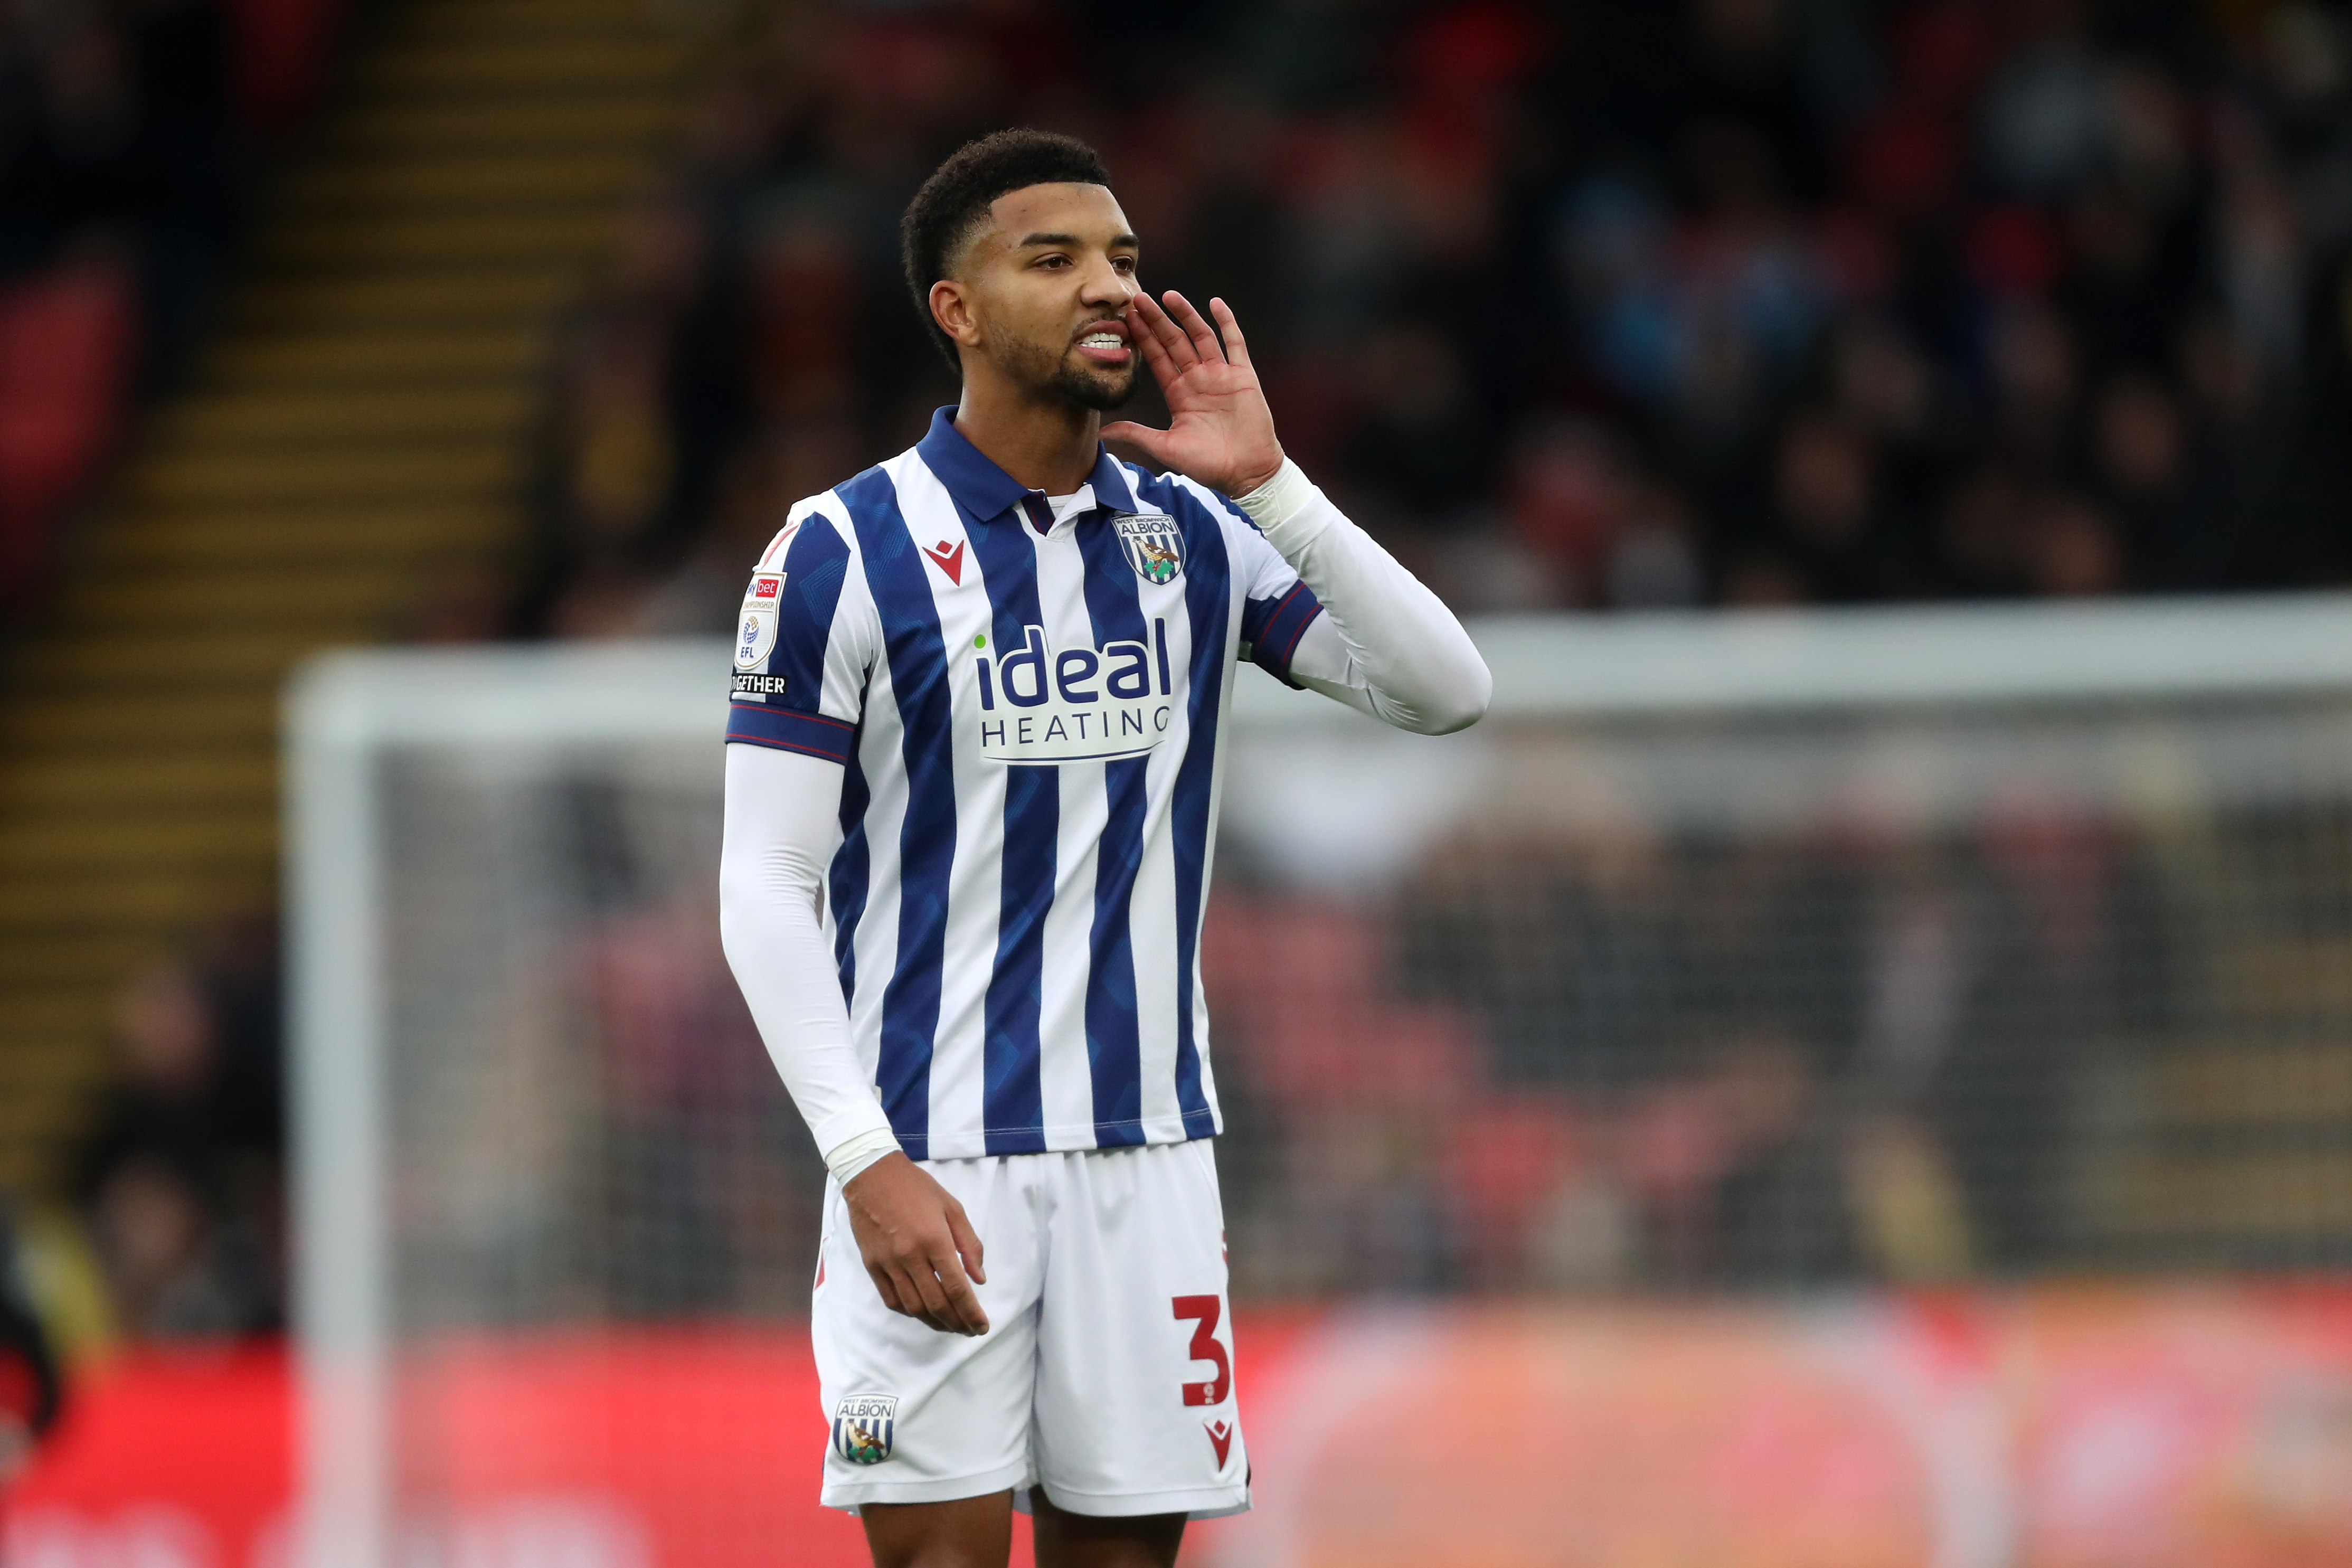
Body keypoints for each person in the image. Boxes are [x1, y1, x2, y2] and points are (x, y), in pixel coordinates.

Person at [718, 128, 1489, 1568]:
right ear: (956, 308)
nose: (1109, 289)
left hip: (1151, 1155)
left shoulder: (1197, 534)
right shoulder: (840, 550)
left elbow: (1449, 690)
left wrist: (1274, 483)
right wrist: (860, 1157)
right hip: (932, 1148)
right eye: (1055, 257)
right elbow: (764, 880)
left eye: (1126, 260)